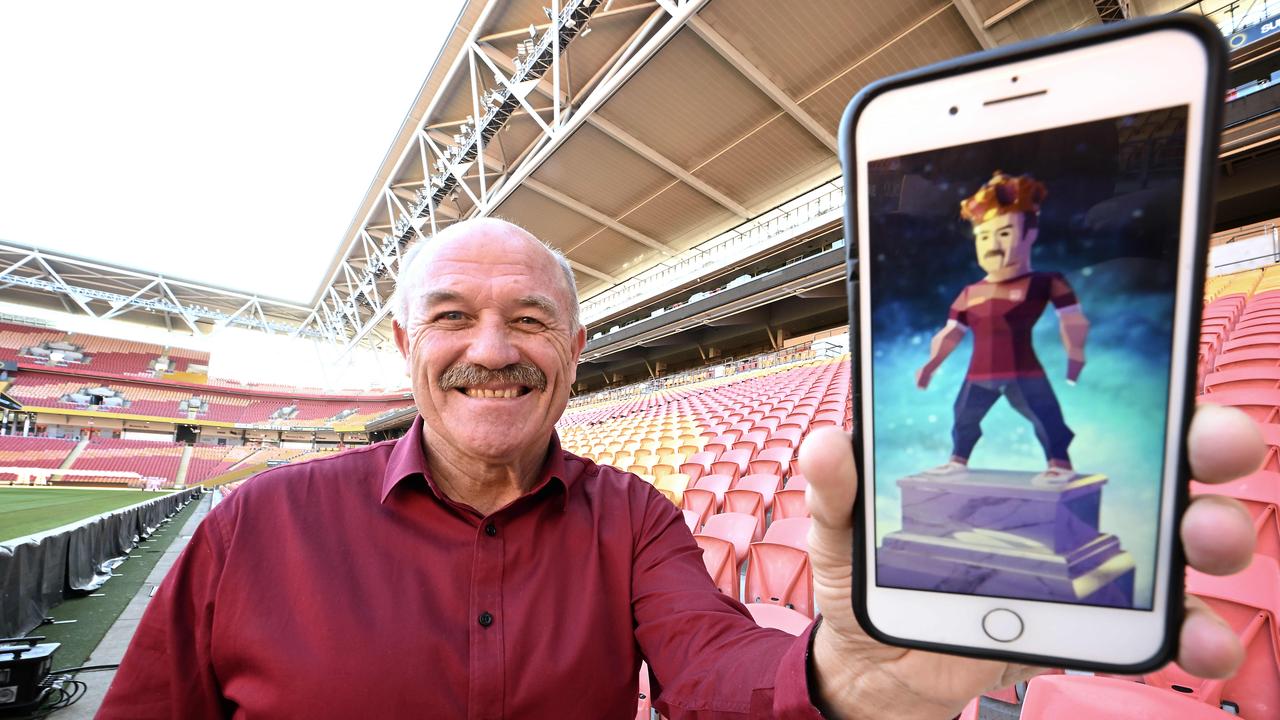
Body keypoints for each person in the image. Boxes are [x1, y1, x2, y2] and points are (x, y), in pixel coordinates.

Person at [99, 218, 1264, 719]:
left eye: (531, 320)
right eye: (452, 318)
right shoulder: (249, 528)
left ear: (576, 350)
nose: (493, 351)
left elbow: (711, 666)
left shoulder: (632, 521)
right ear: (404, 346)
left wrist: (835, 680)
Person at [916, 171, 1087, 483]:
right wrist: (931, 365)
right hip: (979, 373)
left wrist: (1075, 353)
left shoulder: (1046, 282)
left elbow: (1072, 319)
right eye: (983, 237)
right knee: (963, 416)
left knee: (1046, 416)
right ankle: (957, 460)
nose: (992, 245)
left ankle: (1060, 463)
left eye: (1005, 234)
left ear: (1029, 235)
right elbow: (951, 332)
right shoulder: (970, 292)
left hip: (1024, 371)